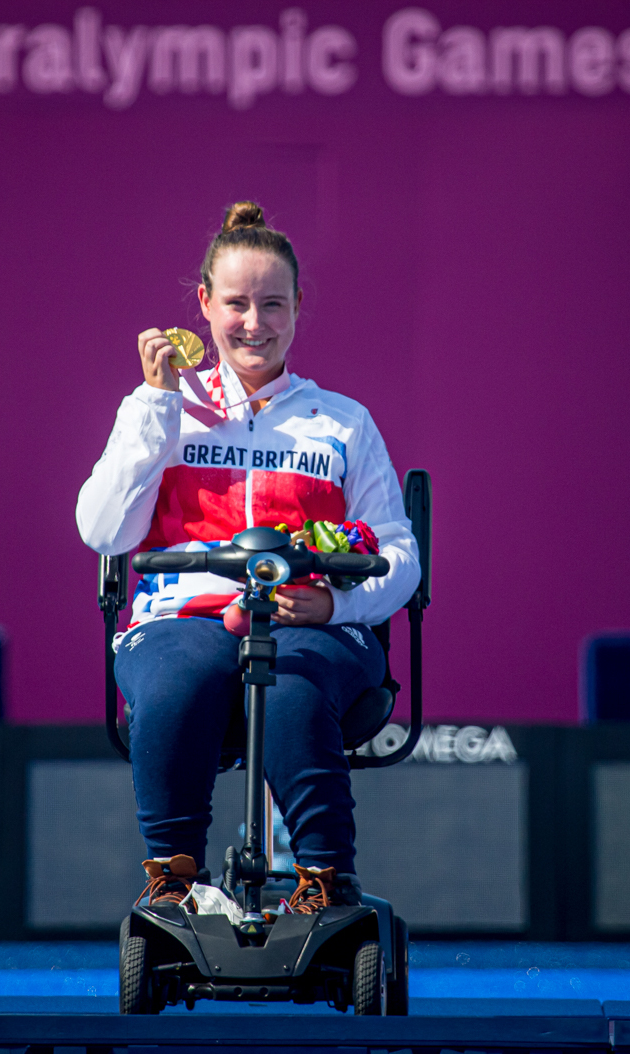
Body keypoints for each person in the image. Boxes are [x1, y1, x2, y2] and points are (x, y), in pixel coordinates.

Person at [76, 201, 420, 914]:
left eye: (273, 303)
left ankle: (325, 882)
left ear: (299, 307)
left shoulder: (344, 422)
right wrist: (153, 407)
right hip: (185, 617)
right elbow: (103, 529)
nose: (255, 323)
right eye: (236, 303)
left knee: (289, 690)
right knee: (177, 682)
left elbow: (399, 554)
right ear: (203, 305)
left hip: (314, 623)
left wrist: (336, 603)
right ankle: (171, 883)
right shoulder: (160, 407)